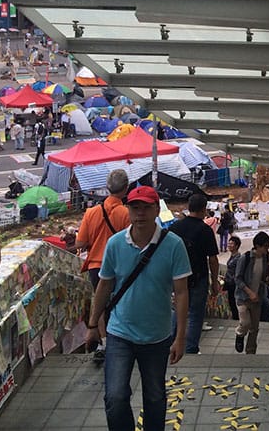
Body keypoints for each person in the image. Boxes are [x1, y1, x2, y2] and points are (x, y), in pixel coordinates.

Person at [86, 185, 191, 431]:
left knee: (154, 397)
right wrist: (93, 324)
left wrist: (181, 337)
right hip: (120, 332)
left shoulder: (174, 245)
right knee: (115, 396)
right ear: (128, 210)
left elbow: (182, 292)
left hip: (157, 335)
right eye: (135, 207)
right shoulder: (114, 244)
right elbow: (104, 285)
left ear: (157, 210)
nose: (140, 213)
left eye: (146, 207)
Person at [75, 169, 131, 361]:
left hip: (96, 266)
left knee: (99, 303)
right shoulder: (126, 213)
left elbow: (80, 243)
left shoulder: (91, 213)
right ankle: (121, 339)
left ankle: (104, 342)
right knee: (119, 302)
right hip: (119, 266)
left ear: (107, 187)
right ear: (126, 189)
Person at [168, 194, 219, 355]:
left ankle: (170, 342)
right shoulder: (205, 230)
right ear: (204, 209)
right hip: (199, 277)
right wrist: (215, 280)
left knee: (178, 309)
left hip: (178, 278)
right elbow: (213, 259)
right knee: (196, 314)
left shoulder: (175, 228)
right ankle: (190, 349)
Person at [234, 231, 269, 354]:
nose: (266, 249)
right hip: (243, 297)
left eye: (268, 246)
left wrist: (267, 278)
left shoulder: (267, 257)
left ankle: (250, 353)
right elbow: (238, 279)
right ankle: (239, 334)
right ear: (257, 245)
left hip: (257, 298)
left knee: (254, 328)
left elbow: (266, 273)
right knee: (245, 323)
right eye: (265, 246)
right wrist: (249, 292)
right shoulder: (245, 258)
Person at [222, 235, 242, 321]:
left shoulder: (238, 258)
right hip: (229, 283)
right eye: (229, 243)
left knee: (234, 302)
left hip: (233, 284)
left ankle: (236, 318)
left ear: (237, 246)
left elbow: (238, 272)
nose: (229, 245)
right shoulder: (233, 256)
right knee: (231, 302)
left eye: (231, 244)